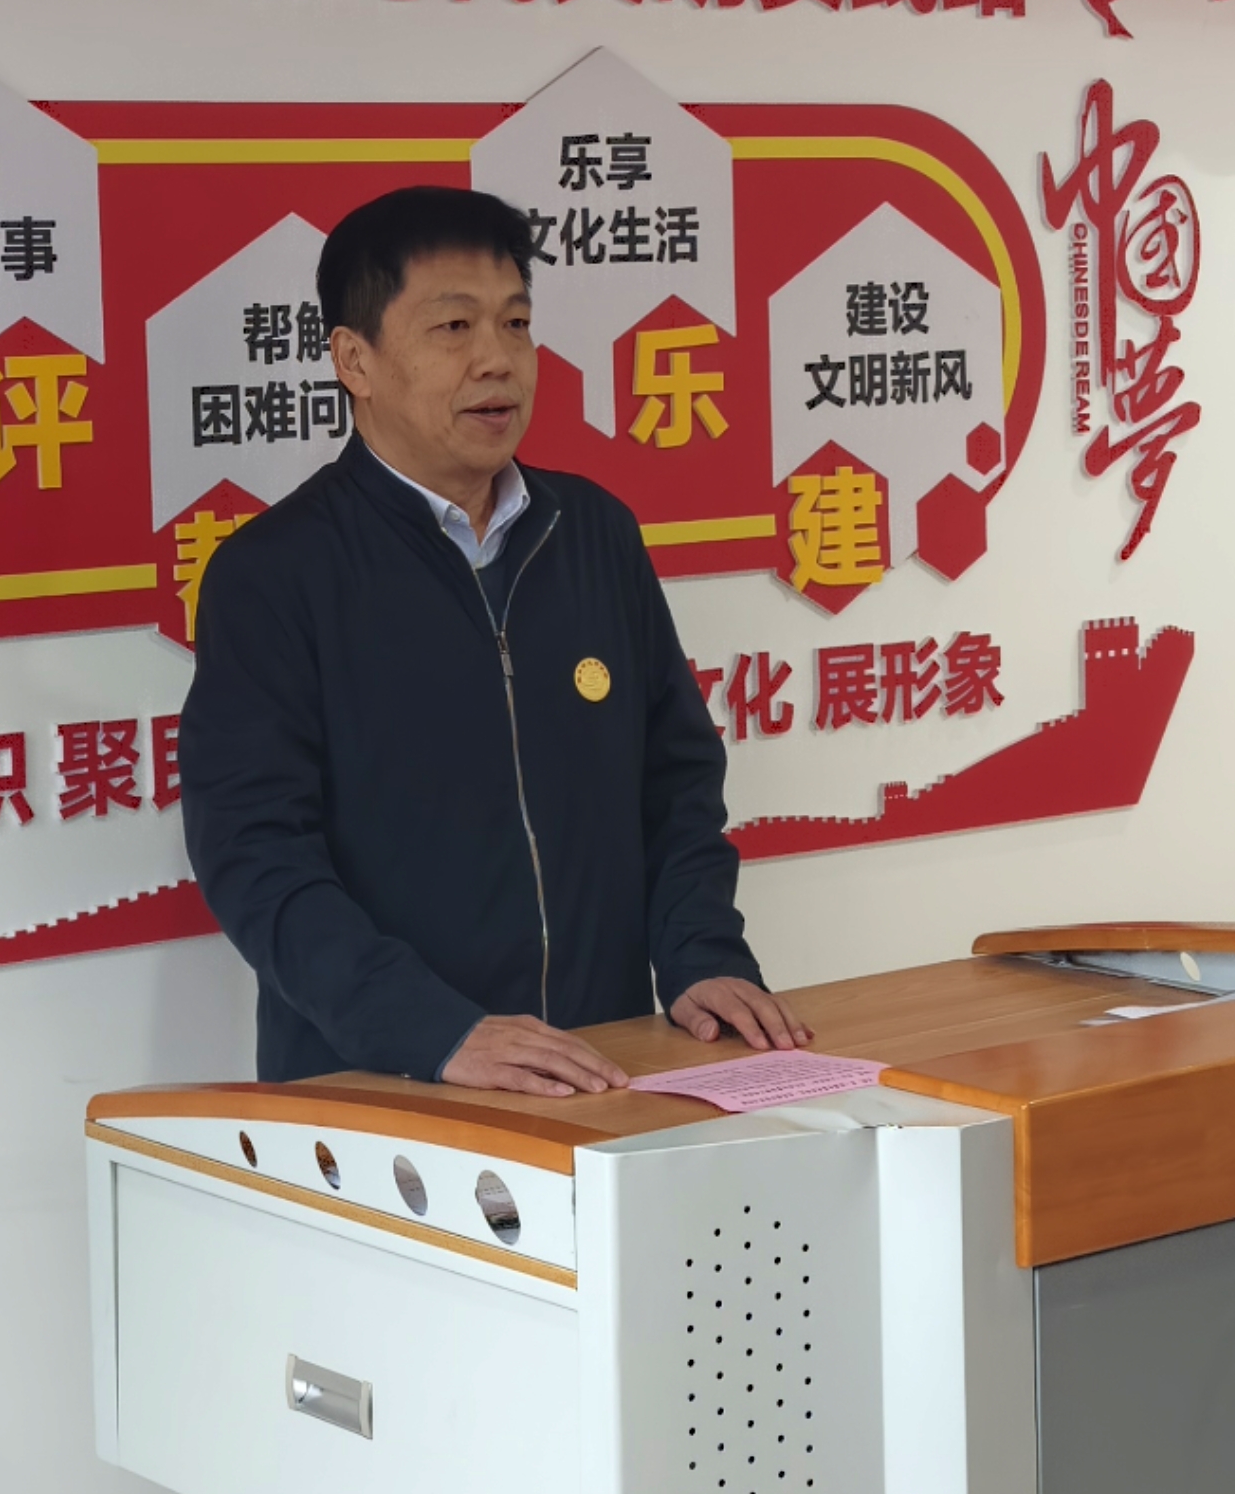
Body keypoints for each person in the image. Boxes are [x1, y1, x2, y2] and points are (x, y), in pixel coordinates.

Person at [180, 184, 811, 1094]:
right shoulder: (275, 574)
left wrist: (699, 953)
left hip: (601, 1070)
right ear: (354, 360)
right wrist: (435, 1032)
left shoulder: (591, 533)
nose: (498, 361)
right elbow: (257, 858)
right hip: (380, 1090)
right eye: (454, 328)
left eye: (516, 325)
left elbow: (675, 778)